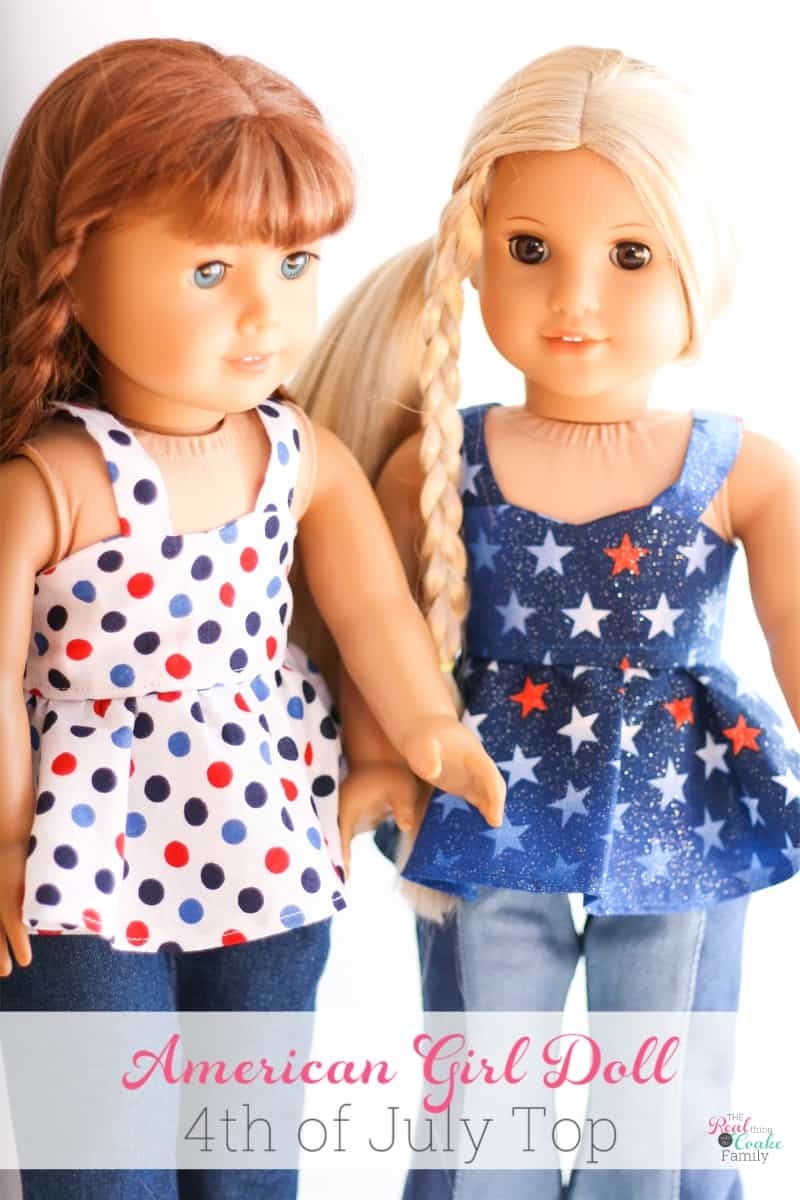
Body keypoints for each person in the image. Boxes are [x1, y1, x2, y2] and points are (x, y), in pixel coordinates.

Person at [292, 44, 800, 1200]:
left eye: (629, 255)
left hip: (681, 794)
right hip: (486, 781)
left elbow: (790, 623)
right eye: (530, 251)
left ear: (699, 261)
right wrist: (379, 759)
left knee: (666, 1066)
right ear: (473, 254)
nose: (573, 298)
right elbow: (380, 625)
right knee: (484, 1058)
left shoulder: (741, 468)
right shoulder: (440, 461)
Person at [0, 37, 504, 1200]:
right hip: (79, 846)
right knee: (101, 1147)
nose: (263, 314)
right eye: (210, 271)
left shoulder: (294, 452)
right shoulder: (47, 484)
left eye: (293, 263)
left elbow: (369, 604)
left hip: (262, 818)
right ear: (73, 263)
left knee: (246, 1134)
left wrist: (424, 729)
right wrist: (7, 834)